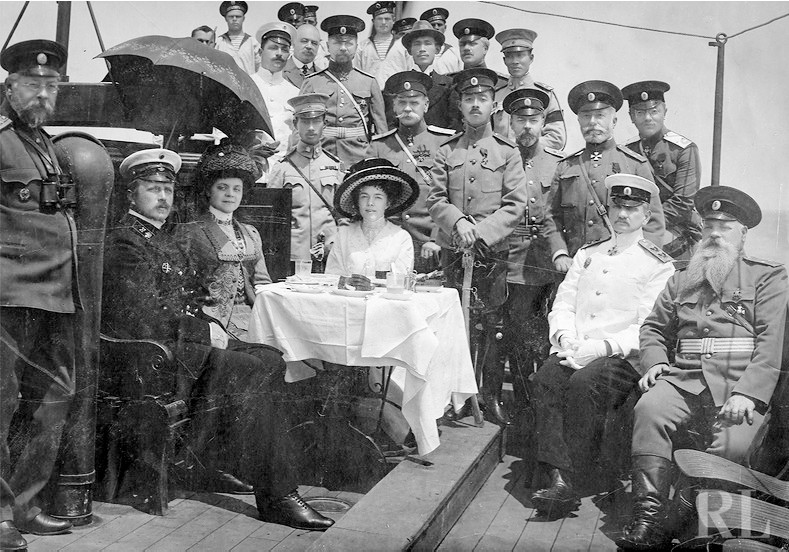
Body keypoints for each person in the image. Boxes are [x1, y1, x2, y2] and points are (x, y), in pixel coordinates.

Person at [101, 149, 334, 532]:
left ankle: (209, 462)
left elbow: (191, 297)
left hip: (179, 344)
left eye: (167, 189)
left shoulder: (165, 239)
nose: (162, 197)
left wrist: (209, 324)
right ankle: (277, 495)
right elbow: (141, 317)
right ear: (131, 195)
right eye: (152, 189)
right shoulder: (126, 243)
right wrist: (202, 330)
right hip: (149, 355)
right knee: (247, 366)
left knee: (272, 358)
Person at [616, 186, 789, 551]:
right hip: (683, 380)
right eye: (709, 224)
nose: (714, 233)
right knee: (648, 408)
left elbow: (770, 344)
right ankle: (647, 517)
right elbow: (652, 328)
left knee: (733, 445)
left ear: (743, 234)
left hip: (738, 385)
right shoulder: (681, 279)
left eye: (725, 226)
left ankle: (674, 520)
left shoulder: (768, 278)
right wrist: (656, 361)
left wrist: (748, 393)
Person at [529, 175, 675, 520]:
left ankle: (573, 479)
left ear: (645, 214)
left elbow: (647, 327)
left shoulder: (657, 264)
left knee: (583, 385)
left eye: (632, 208)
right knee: (545, 380)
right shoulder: (587, 254)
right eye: (617, 207)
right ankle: (559, 477)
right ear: (608, 210)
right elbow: (563, 303)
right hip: (574, 346)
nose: (623, 214)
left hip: (621, 356)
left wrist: (598, 349)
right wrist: (565, 338)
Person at [0, 39, 76, 549]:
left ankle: (25, 505)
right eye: (33, 84)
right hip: (7, 292)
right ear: (10, 87)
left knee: (55, 396)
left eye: (51, 86)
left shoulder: (43, 140)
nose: (43, 92)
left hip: (55, 292)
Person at [427, 68, 528, 425]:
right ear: (460, 104)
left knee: (491, 325)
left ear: (493, 105)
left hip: (491, 253)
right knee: (452, 324)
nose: (474, 104)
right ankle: (448, 399)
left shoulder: (508, 152)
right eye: (468, 99)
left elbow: (515, 204)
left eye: (481, 99)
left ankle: (489, 397)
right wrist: (457, 222)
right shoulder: (447, 150)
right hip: (454, 251)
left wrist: (480, 232)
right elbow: (436, 198)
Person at [543, 80, 665, 276]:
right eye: (586, 116)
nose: (592, 122)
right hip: (574, 268)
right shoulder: (566, 166)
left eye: (600, 115)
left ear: (614, 121)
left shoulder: (634, 164)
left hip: (620, 269)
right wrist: (560, 253)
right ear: (579, 121)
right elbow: (551, 217)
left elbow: (654, 223)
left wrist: (640, 265)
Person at [498, 88, 564, 412]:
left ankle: (543, 405)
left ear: (542, 123)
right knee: (516, 337)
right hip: (511, 259)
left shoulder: (556, 163)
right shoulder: (500, 158)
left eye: (534, 119)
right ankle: (523, 405)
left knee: (546, 336)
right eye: (520, 119)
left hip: (546, 261)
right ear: (510, 122)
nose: (527, 126)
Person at [184, 142, 269, 341]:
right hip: (214, 323)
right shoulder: (191, 232)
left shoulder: (251, 233)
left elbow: (263, 284)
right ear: (208, 190)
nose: (230, 194)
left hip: (254, 319)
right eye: (222, 187)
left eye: (236, 189)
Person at [370, 71, 454, 273]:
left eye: (414, 102)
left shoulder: (445, 143)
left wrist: (437, 238)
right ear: (394, 106)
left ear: (425, 105)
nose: (408, 108)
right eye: (402, 102)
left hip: (430, 246)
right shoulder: (379, 146)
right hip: (388, 243)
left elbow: (452, 196)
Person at [622, 81, 702, 259]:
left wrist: (645, 225)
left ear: (664, 112)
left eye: (654, 111)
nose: (648, 118)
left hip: (677, 231)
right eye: (640, 112)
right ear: (631, 116)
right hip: (633, 228)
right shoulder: (626, 151)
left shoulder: (684, 149)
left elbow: (682, 203)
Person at [269, 93, 344, 273]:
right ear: (295, 124)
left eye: (316, 121)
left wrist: (335, 243)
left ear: (325, 123)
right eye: (304, 121)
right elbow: (271, 217)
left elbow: (344, 213)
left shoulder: (335, 166)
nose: (311, 128)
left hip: (329, 254)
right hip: (292, 256)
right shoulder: (283, 168)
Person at [300, 15, 387, 168]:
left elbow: (381, 129)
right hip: (321, 153)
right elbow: (300, 124)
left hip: (360, 155)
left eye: (348, 43)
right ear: (327, 46)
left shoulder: (369, 82)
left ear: (357, 46)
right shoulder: (312, 81)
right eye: (337, 42)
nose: (343, 48)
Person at [325, 158, 418, 277]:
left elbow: (401, 282)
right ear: (357, 201)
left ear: (388, 202)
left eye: (378, 197)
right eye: (364, 196)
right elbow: (332, 277)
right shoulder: (343, 235)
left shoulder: (401, 238)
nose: (370, 203)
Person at [492, 29, 566, 150]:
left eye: (520, 55)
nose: (515, 61)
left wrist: (525, 148)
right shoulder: (496, 95)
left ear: (531, 58)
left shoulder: (546, 94)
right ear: (504, 61)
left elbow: (556, 138)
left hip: (533, 163)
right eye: (510, 56)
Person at [378, 21, 459, 130]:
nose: (422, 49)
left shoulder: (449, 85)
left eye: (427, 43)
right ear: (409, 51)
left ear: (437, 49)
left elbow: (454, 124)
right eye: (417, 44)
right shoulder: (396, 85)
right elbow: (391, 123)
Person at [251, 22, 300, 156]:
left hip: (285, 167)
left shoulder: (295, 93)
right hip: (249, 167)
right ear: (260, 52)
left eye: (284, 49)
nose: (279, 53)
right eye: (273, 48)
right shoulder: (246, 85)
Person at [354, 2, 397, 82]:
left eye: (387, 19)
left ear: (393, 20)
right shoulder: (363, 47)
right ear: (373, 21)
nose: (383, 22)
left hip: (397, 92)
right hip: (371, 92)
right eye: (379, 19)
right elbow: (357, 73)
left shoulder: (402, 45)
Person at [215, 1, 259, 75]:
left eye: (238, 16)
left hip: (248, 84)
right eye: (231, 16)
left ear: (243, 18)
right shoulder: (219, 42)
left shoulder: (253, 42)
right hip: (226, 84)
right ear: (226, 19)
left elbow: (259, 67)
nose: (234, 19)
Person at [282, 23, 328, 90]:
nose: (309, 46)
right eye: (304, 41)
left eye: (314, 43)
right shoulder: (280, 72)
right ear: (293, 43)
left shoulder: (325, 78)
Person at [419, 8, 463, 74]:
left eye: (439, 25)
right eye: (433, 25)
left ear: (445, 27)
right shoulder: (420, 53)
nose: (436, 27)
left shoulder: (455, 53)